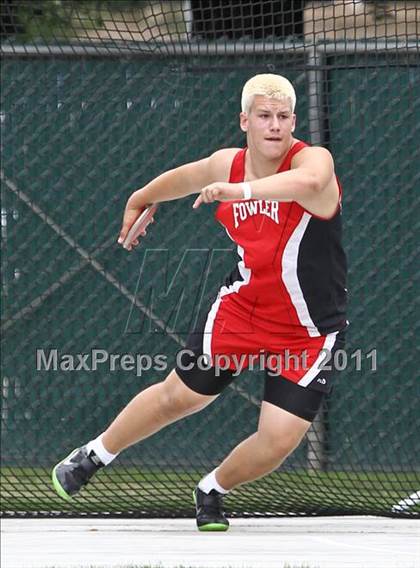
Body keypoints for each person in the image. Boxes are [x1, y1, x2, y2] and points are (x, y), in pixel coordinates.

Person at [52, 74, 347, 531]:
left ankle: (212, 489)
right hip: (243, 310)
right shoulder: (225, 164)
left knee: (278, 438)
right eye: (264, 117)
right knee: (181, 395)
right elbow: (181, 180)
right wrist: (140, 198)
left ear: (293, 121)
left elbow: (309, 181)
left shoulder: (312, 160)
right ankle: (93, 454)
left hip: (309, 330)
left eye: (283, 117)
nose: (275, 126)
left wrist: (242, 192)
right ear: (244, 120)